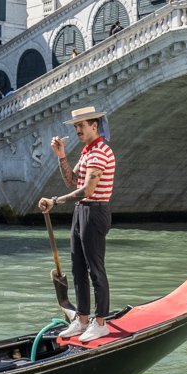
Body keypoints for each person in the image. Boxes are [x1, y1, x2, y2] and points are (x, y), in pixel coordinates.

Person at [39, 106, 117, 343]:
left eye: (81, 125)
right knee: (78, 268)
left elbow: (87, 190)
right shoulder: (87, 152)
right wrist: (61, 155)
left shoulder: (100, 152)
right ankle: (82, 320)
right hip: (82, 211)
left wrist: (55, 201)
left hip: (95, 212)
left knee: (95, 269)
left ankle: (100, 322)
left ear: (94, 125)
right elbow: (73, 181)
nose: (77, 130)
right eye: (75, 126)